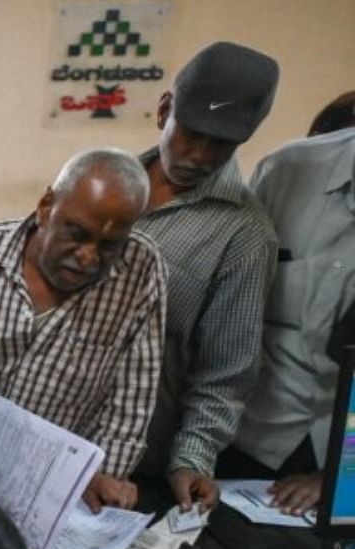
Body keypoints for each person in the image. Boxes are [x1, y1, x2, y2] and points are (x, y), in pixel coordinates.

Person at [132, 42, 280, 513]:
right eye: (190, 135)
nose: (199, 156)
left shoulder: (244, 234)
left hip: (139, 463)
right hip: (54, 435)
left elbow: (226, 373)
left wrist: (191, 459)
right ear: (163, 111)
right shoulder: (104, 183)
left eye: (221, 145)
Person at [0, 149, 165, 514]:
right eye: (77, 234)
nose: (88, 257)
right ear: (46, 206)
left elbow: (133, 396)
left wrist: (104, 480)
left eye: (110, 246)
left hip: (61, 493)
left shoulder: (140, 270)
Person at [219, 127, 355, 515]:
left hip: (342, 466)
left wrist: (343, 477)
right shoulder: (285, 172)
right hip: (243, 440)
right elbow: (225, 309)